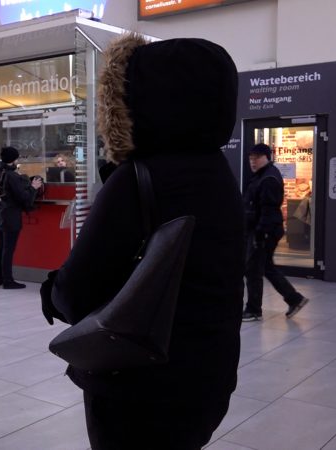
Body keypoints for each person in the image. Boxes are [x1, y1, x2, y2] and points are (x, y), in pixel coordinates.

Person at [41, 35, 245, 448]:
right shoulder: (218, 172)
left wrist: (51, 291)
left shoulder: (137, 179)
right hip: (209, 373)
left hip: (138, 384)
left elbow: (75, 291)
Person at [242, 143, 310, 322]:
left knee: (255, 269)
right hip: (263, 229)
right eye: (251, 158)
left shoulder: (268, 179)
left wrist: (260, 235)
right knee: (262, 267)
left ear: (266, 157)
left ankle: (254, 309)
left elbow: (268, 210)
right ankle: (293, 299)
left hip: (265, 231)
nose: (253, 161)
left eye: (256, 158)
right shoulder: (262, 176)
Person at [0, 146, 42, 289]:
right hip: (11, 215)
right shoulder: (12, 175)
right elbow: (23, 197)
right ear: (14, 159)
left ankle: (0, 278)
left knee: (1, 247)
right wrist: (33, 187)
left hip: (0, 213)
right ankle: (8, 280)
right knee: (9, 249)